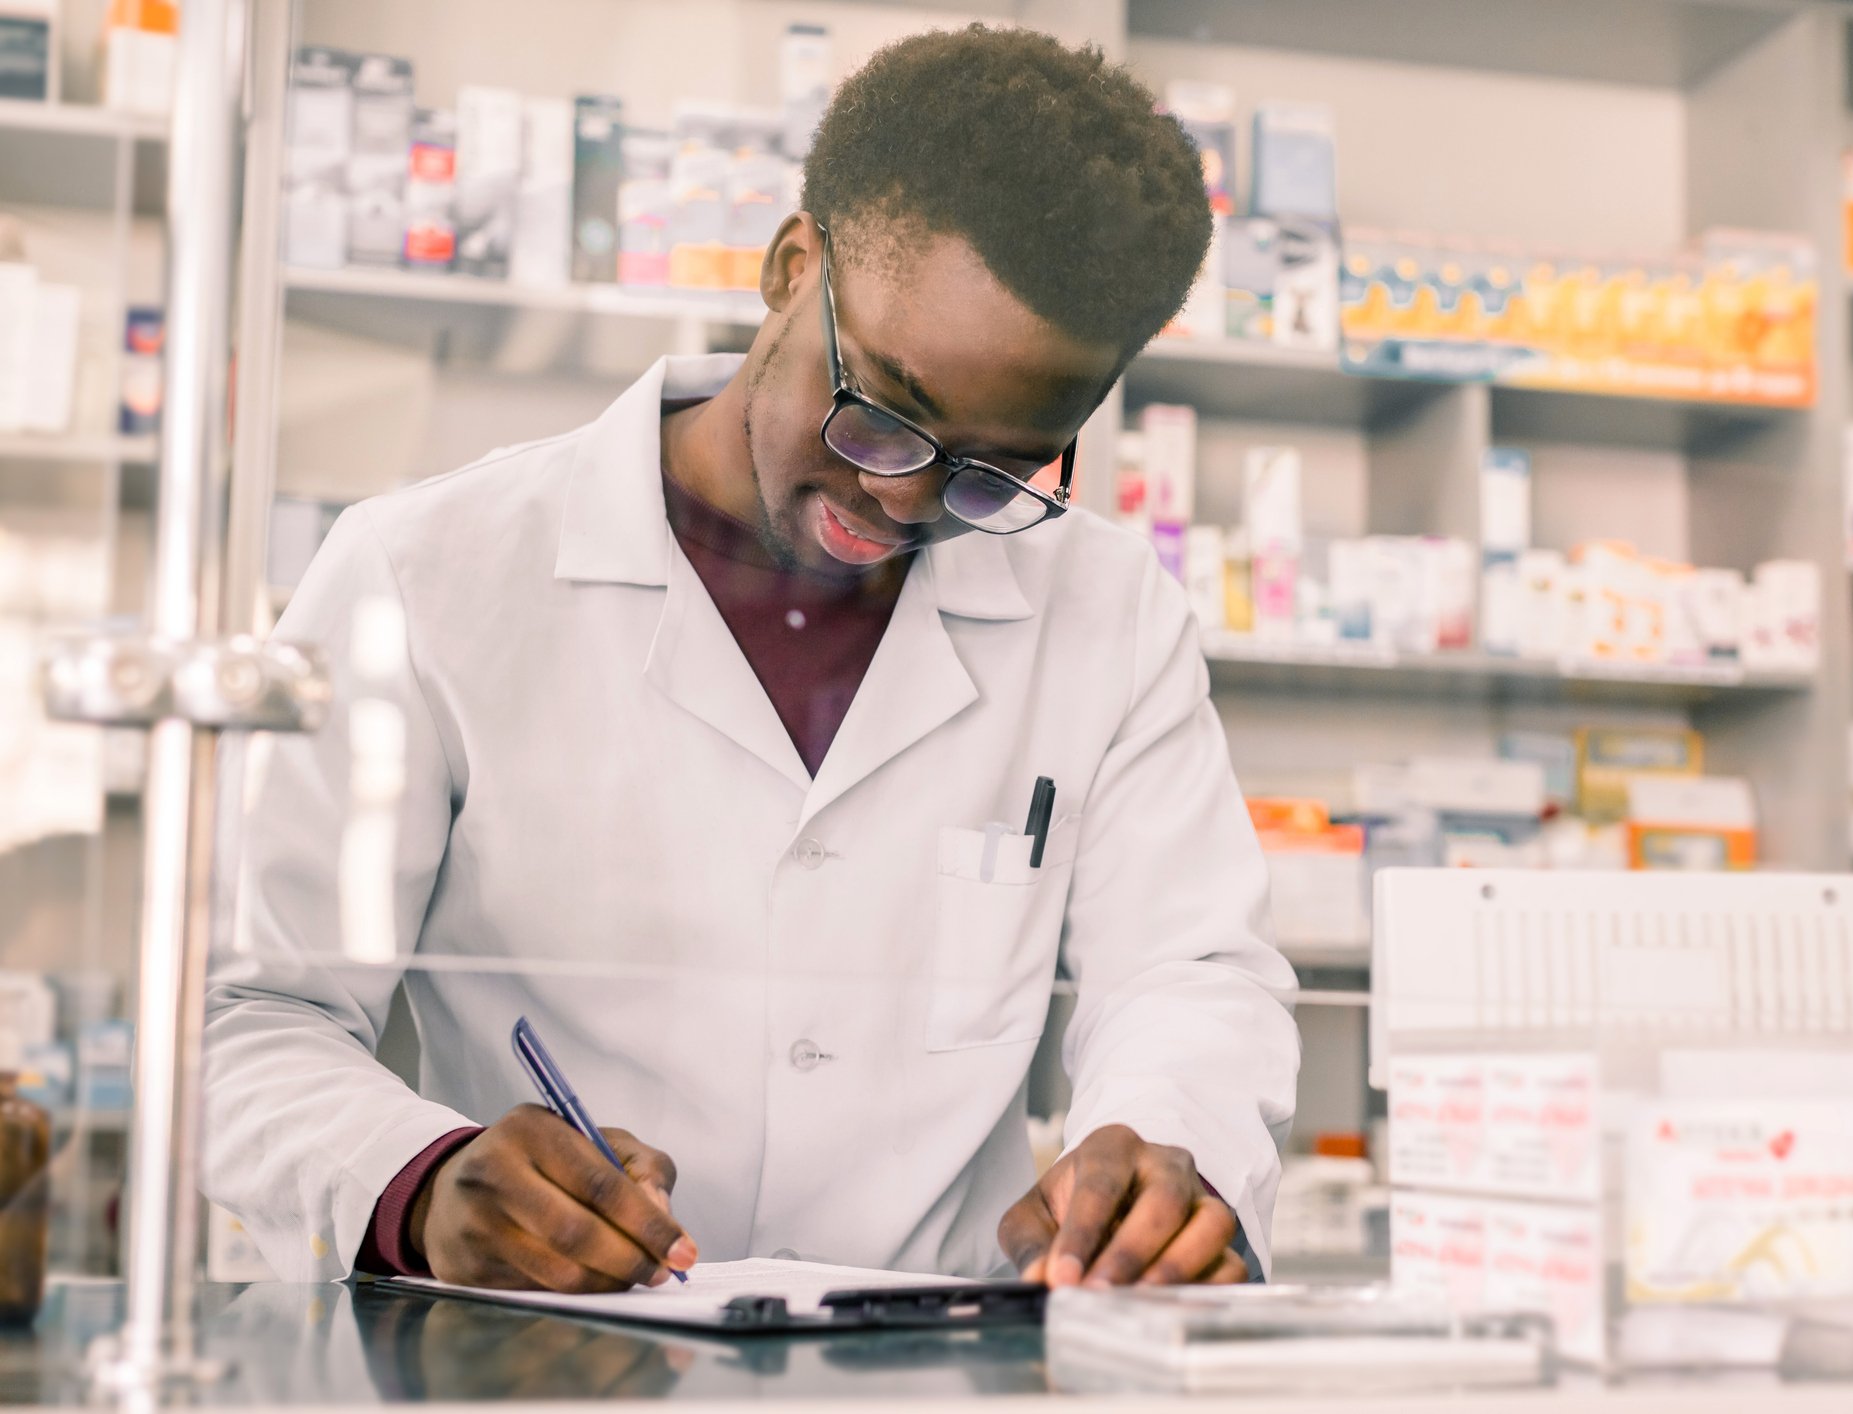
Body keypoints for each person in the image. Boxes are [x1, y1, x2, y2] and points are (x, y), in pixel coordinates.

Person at [204, 24, 1299, 1295]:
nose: (904, 498)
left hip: (927, 1366)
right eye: (884, 411)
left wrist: (1167, 1155)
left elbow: (1192, 971)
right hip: (542, 1355)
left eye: (994, 470)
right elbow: (249, 1016)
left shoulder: (1108, 610)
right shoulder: (427, 571)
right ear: (792, 269)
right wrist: (421, 1180)